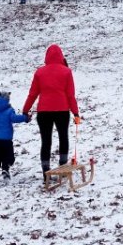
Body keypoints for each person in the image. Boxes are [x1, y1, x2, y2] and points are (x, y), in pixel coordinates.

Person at [21, 44, 81, 180]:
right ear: (61, 56)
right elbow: (70, 95)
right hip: (62, 111)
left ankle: (46, 172)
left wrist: (25, 110)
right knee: (63, 138)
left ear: (46, 56)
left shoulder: (39, 72)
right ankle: (63, 167)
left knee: (46, 141)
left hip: (44, 112)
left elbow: (32, 94)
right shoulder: (66, 71)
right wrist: (76, 113)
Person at [0, 91, 28, 182]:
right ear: (7, 100)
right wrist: (25, 118)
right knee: (7, 155)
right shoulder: (9, 111)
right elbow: (15, 118)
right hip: (6, 139)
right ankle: (5, 170)